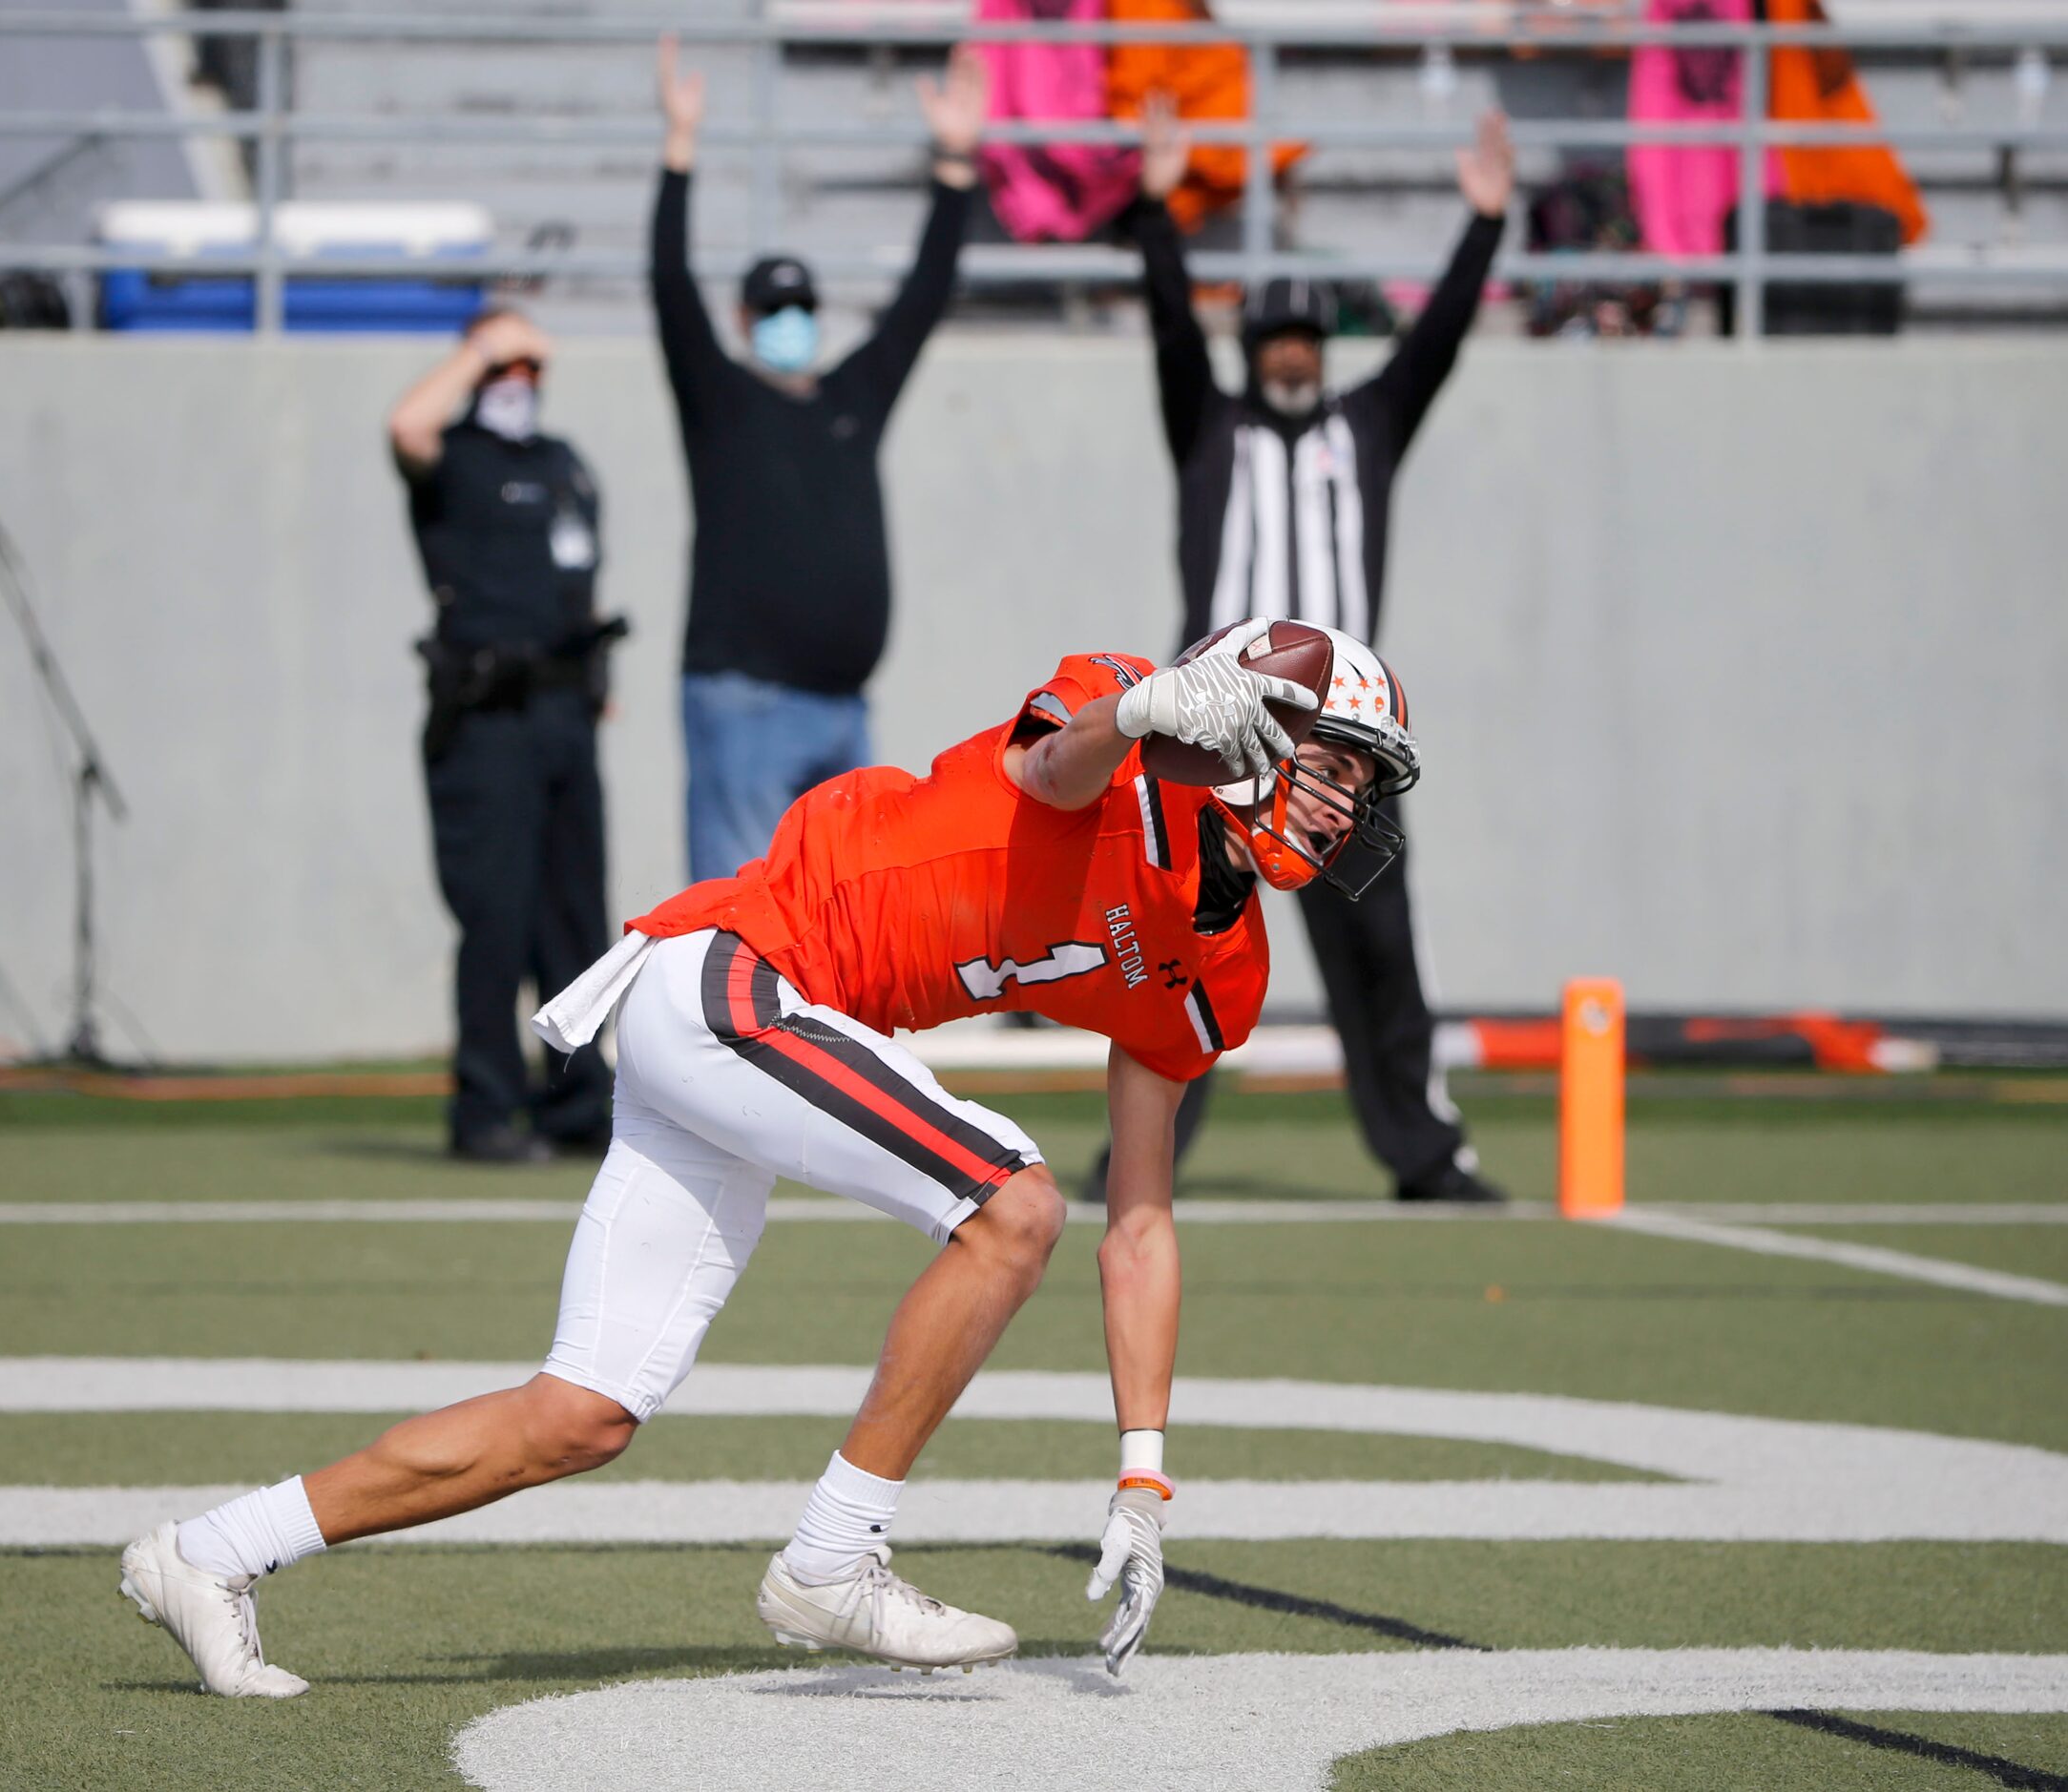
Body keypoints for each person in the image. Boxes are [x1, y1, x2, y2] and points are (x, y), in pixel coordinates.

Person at [116, 618, 1423, 1694]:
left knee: (580, 1413)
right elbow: (1057, 772)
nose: (1348, 798)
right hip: (736, 971)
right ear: (1252, 724)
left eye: (1365, 780)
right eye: (1336, 760)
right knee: (1010, 1202)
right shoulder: (1113, 721)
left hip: (756, 1023)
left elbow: (1143, 1217)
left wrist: (1143, 1471)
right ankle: (833, 1557)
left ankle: (210, 1550)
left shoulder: (1220, 968)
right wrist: (1144, 715)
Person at [1098, 95, 1515, 1206]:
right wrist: (1153, 210)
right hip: (1211, 741)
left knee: (1382, 952)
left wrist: (1481, 227)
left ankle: (1425, 1154)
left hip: (1341, 751)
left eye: (1301, 338)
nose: (1286, 353)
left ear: (1321, 348)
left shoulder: (1364, 429)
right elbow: (1168, 331)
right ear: (1250, 350)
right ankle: (1133, 1158)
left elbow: (1432, 347)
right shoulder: (1209, 432)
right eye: (1270, 339)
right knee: (1179, 944)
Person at [652, 35, 987, 882]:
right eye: (773, 306)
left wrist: (954, 164)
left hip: (842, 708)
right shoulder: (722, 399)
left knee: (842, 922)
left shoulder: (851, 397)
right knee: (734, 922)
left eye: (801, 304)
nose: (789, 318)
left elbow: (921, 299)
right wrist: (680, 151)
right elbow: (670, 287)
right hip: (745, 699)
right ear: (745, 318)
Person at [387, 308, 620, 1164]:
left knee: (576, 918)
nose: (518, 379)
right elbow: (405, 425)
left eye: (530, 366)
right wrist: (486, 343)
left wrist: (600, 686)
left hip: (564, 716)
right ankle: (484, 1107)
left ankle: (573, 1104)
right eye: (501, 367)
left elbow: (582, 584)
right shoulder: (453, 460)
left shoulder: (563, 466)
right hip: (487, 717)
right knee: (497, 916)